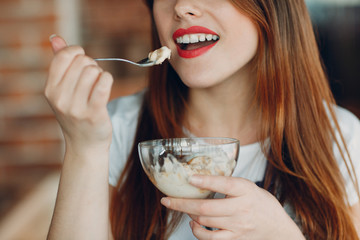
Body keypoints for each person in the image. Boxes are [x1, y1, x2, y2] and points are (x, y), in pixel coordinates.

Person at [45, 0, 360, 239]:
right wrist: (83, 148)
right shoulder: (116, 128)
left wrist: (284, 234)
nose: (181, 7)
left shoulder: (343, 139)